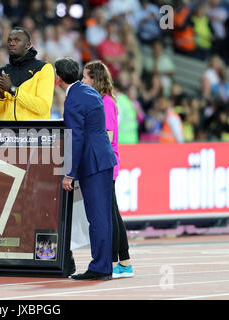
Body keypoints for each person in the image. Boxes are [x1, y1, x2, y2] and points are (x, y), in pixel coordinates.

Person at [56, 57, 116, 281]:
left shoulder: (73, 99)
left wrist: (69, 173)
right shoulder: (86, 91)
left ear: (58, 78)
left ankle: (100, 268)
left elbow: (76, 138)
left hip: (93, 162)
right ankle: (103, 265)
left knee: (97, 217)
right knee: (103, 217)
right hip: (102, 159)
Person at [82, 60, 134, 279]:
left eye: (85, 77)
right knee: (112, 212)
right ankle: (123, 261)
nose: (82, 81)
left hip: (105, 163)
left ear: (95, 79)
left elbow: (109, 135)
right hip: (103, 162)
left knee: (109, 213)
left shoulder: (106, 102)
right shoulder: (99, 100)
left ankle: (117, 261)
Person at [0, 27, 54, 120]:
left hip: (35, 132)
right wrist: (0, 94)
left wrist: (12, 89)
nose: (11, 43)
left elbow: (43, 107)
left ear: (28, 45)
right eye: (9, 40)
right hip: (9, 132)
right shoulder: (2, 72)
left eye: (17, 40)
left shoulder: (43, 68)